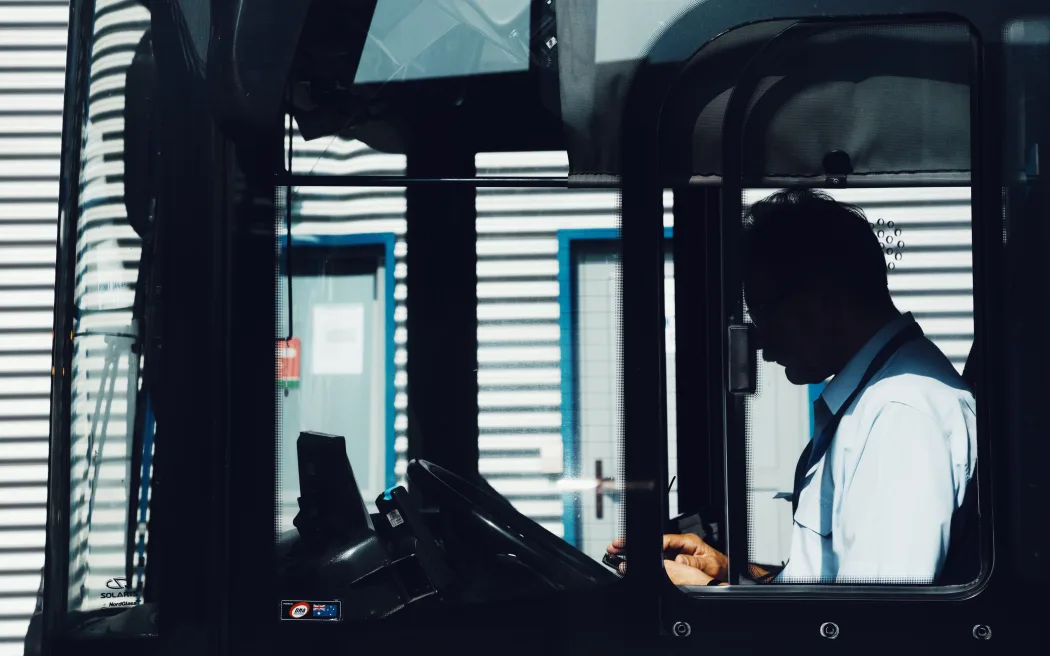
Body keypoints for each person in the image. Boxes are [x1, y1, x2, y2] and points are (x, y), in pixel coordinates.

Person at [609, 188, 978, 585]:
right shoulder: (879, 402)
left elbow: (878, 622)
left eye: (762, 313)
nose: (762, 344)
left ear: (824, 302)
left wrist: (711, 593)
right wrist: (737, 574)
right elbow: (833, 586)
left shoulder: (900, 416)